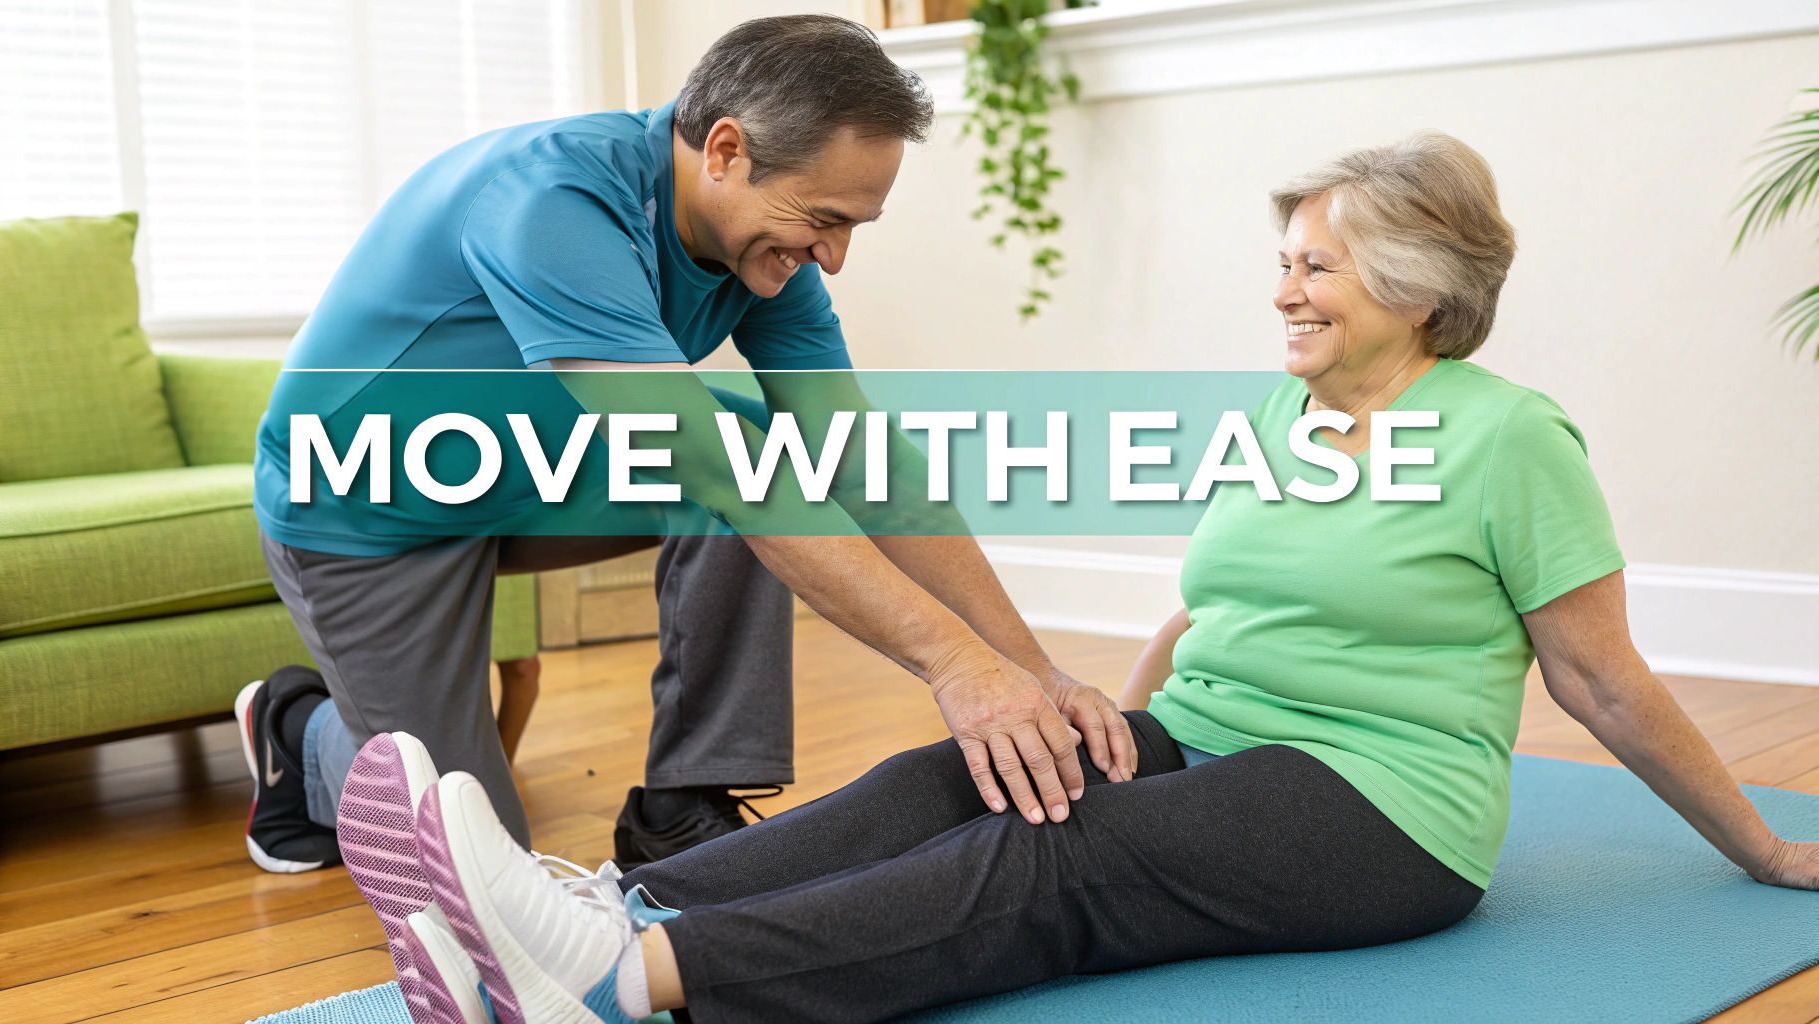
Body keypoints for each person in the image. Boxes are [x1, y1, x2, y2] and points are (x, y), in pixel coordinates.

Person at [345, 131, 1819, 1024]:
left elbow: (1600, 677)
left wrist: (1760, 852)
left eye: (1316, 267)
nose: (1282, 289)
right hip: (1212, 735)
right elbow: (1209, 612)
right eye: (1284, 261)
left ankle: (634, 988)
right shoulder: (1271, 418)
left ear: (1425, 285)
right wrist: (1094, 718)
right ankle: (604, 904)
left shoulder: (1510, 440)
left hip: (1380, 802)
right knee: (963, 783)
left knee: (1061, 863)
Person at [238, 15, 1141, 1015]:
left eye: (852, 228)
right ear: (724, 150)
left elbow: (861, 462)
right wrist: (949, 663)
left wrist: (1026, 668)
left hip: (531, 462)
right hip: (368, 504)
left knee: (765, 444)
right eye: (823, 217)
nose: (832, 257)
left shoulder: (758, 249)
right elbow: (716, 478)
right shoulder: (552, 199)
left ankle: (679, 806)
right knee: (476, 872)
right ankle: (300, 725)